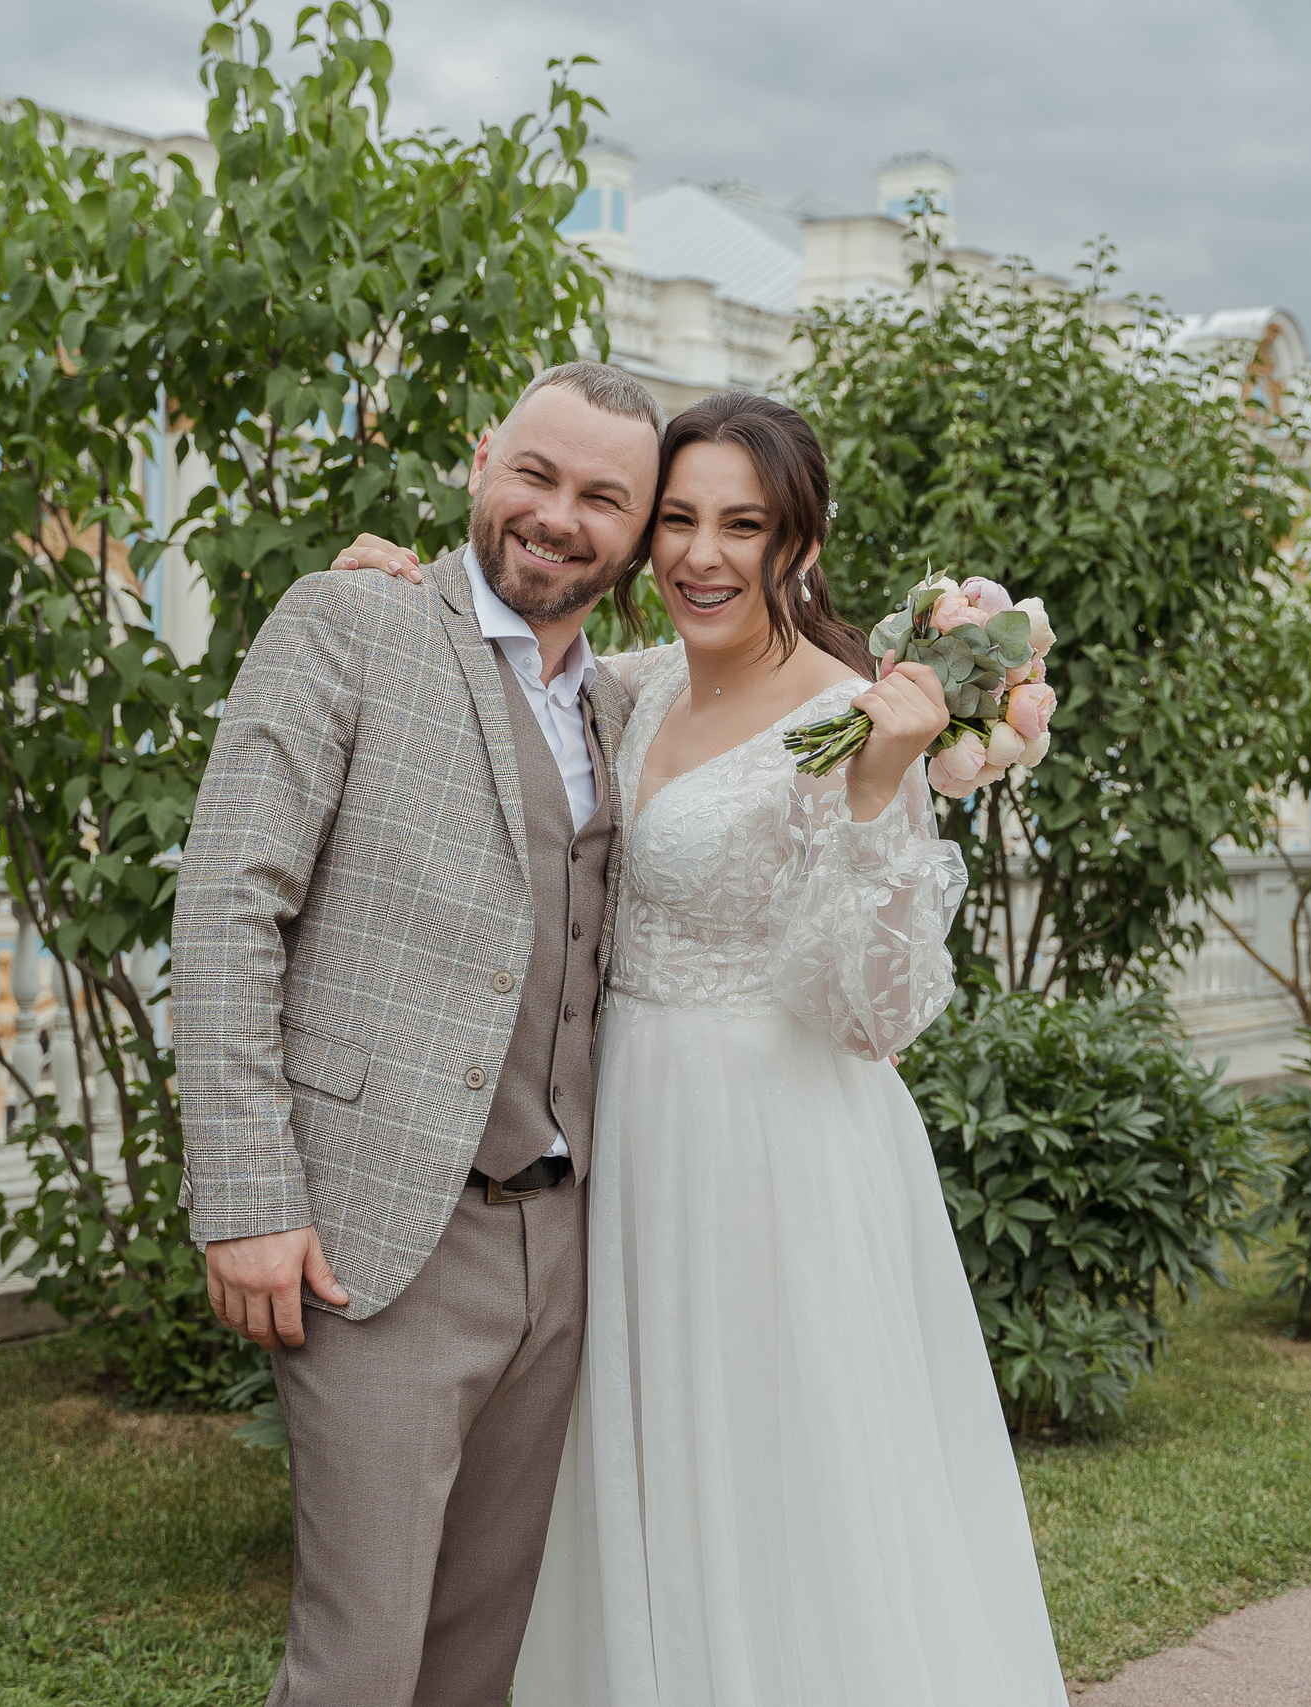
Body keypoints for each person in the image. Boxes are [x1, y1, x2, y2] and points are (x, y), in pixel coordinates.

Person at [328, 392, 1068, 1704]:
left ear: (804, 541)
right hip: (625, 1134)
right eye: (677, 519)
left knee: (775, 1485)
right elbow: (490, 702)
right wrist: (397, 596)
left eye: (744, 524)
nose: (702, 555)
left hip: (772, 1156)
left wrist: (882, 787)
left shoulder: (859, 717)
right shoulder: (638, 685)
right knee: (625, 1475)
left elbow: (875, 1016)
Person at [173, 361, 663, 1707]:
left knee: (477, 1660)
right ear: (481, 461)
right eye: (539, 476)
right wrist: (247, 1198)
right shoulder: (354, 621)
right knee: (362, 1660)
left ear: (637, 532)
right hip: (377, 1235)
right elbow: (228, 906)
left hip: (562, 1246)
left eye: (603, 499)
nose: (560, 518)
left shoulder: (626, 708)